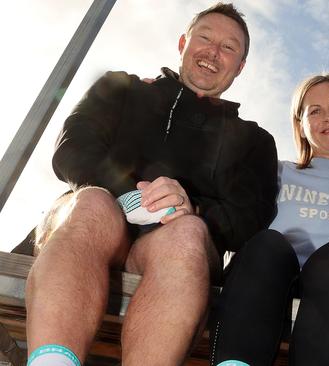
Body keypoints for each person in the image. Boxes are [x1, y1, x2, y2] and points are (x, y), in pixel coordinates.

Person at [24, 3, 278, 366]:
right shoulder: (120, 87)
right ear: (182, 43)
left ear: (240, 67)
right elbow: (71, 151)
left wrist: (194, 207)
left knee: (187, 232)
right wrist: (130, 194)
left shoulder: (254, 141)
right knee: (94, 204)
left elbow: (249, 218)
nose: (213, 52)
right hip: (92, 226)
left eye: (229, 48)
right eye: (204, 38)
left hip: (172, 248)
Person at [209, 74, 329, 366]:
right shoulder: (277, 171)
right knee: (269, 244)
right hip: (266, 281)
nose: (328, 118)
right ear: (301, 126)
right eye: (315, 111)